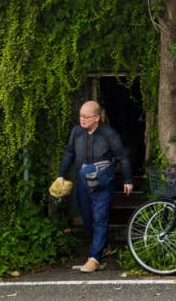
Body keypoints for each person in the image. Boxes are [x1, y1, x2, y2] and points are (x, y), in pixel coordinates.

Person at [56, 100, 134, 272]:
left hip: (103, 184)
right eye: (80, 116)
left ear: (97, 118)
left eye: (86, 116)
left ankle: (94, 258)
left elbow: (122, 156)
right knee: (87, 219)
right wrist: (61, 174)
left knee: (100, 218)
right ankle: (104, 247)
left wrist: (128, 180)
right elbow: (69, 153)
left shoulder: (109, 134)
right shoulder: (76, 132)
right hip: (83, 183)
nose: (82, 119)